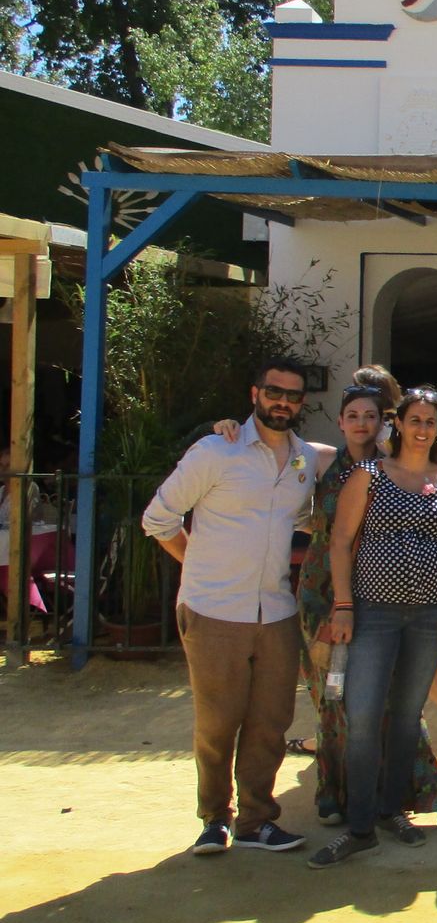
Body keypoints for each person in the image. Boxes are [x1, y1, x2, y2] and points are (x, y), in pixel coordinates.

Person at [216, 382, 437, 823]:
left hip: (381, 594)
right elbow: (265, 439)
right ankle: (336, 794)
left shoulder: (394, 466)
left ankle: (393, 793)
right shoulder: (318, 458)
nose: (362, 424)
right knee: (332, 695)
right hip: (323, 594)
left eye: (371, 416)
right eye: (354, 416)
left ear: (385, 422)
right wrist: (226, 426)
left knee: (386, 698)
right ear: (341, 421)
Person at [142, 358, 318, 856]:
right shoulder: (216, 451)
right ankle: (215, 818)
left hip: (276, 611)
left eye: (292, 395)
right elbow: (158, 519)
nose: (282, 401)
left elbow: (306, 516)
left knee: (271, 720)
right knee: (217, 721)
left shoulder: (303, 459)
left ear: (301, 404)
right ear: (255, 393)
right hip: (214, 610)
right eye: (274, 392)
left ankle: (257, 820)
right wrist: (197, 565)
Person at [308, 386, 437, 868]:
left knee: (406, 716)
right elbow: (341, 542)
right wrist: (342, 605)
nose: (422, 429)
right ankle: (359, 826)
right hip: (373, 613)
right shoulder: (369, 475)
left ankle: (391, 811)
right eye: (414, 419)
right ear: (397, 423)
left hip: (430, 614)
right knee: (362, 717)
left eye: (430, 422)